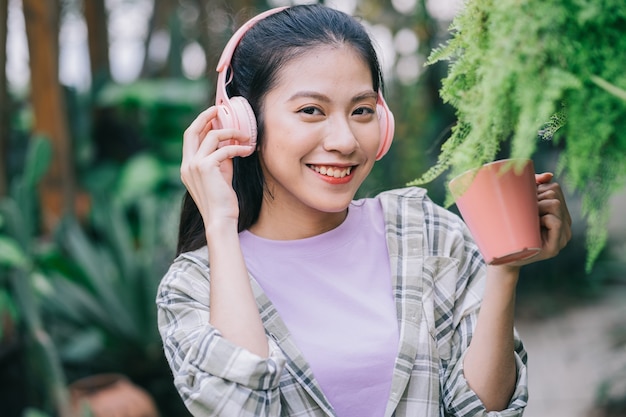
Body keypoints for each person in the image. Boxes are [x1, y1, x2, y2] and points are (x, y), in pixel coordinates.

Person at [156, 4, 572, 417]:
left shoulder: (427, 232)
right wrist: (220, 225)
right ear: (243, 123)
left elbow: (482, 409)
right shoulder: (194, 286)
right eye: (311, 111)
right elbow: (240, 408)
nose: (345, 140)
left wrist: (504, 267)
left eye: (361, 111)